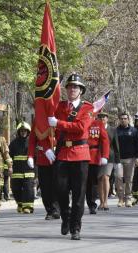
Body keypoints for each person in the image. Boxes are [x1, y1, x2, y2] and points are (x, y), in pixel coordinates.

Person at [48, 73, 93, 240]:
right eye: (69, 86)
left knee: (79, 195)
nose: (72, 89)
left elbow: (80, 128)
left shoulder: (87, 108)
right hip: (62, 153)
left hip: (80, 154)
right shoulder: (59, 107)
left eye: (75, 87)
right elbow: (48, 125)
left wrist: (58, 123)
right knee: (60, 190)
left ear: (81, 90)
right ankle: (65, 218)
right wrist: (48, 147)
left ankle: (75, 228)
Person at [28, 120, 60, 220]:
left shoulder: (59, 116)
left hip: (59, 157)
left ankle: (56, 209)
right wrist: (30, 156)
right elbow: (33, 140)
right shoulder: (38, 121)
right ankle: (50, 210)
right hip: (43, 159)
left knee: (58, 185)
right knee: (45, 187)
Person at [115, 113, 138, 207]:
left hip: (130, 159)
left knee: (129, 179)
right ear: (119, 120)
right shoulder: (116, 131)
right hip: (118, 159)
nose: (123, 120)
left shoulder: (134, 131)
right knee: (118, 178)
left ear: (128, 119)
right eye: (121, 118)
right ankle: (120, 199)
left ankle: (128, 198)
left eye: (125, 118)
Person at [10, 122, 36, 214]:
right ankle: (20, 204)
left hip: (29, 171)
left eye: (25, 131)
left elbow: (36, 156)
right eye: (21, 131)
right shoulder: (13, 143)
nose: (23, 132)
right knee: (15, 189)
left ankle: (28, 206)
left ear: (28, 132)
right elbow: (9, 157)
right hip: (16, 171)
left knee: (28, 188)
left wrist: (36, 170)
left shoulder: (32, 143)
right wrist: (8, 168)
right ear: (18, 132)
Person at [85, 114, 109, 214]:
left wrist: (104, 156)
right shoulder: (80, 122)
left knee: (93, 181)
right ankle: (82, 203)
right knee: (84, 182)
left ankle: (92, 204)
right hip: (81, 153)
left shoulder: (98, 124)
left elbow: (105, 140)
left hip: (94, 156)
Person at [96, 112, 119, 211]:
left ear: (107, 118)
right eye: (100, 117)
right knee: (99, 179)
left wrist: (118, 161)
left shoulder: (112, 129)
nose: (102, 119)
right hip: (97, 156)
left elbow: (116, 145)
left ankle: (105, 202)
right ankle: (101, 202)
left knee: (106, 177)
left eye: (103, 117)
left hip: (109, 156)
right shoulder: (94, 128)